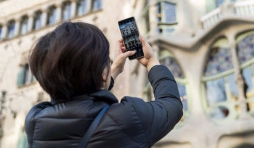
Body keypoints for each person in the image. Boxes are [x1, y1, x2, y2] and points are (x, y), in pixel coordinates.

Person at [25, 22, 183, 148]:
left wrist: (111, 72)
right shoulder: (127, 117)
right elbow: (172, 105)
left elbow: (81, 101)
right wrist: (151, 61)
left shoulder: (35, 121)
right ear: (102, 72)